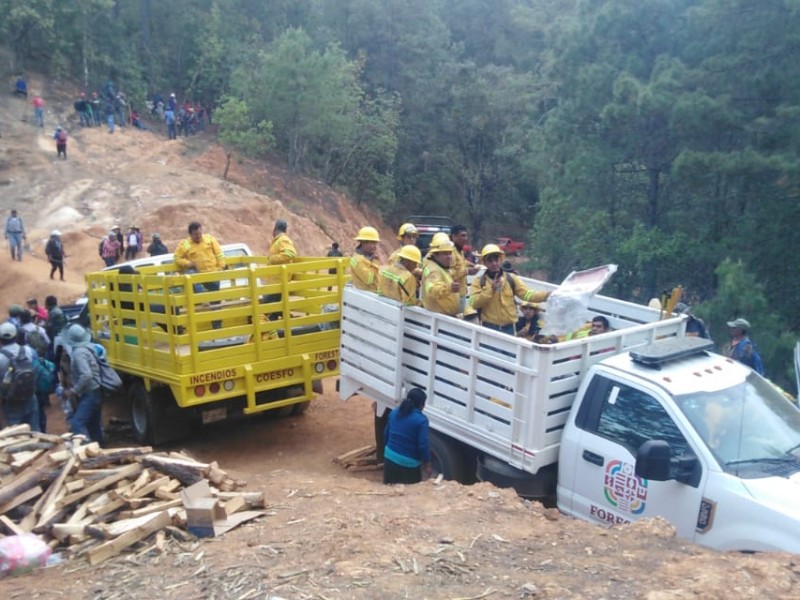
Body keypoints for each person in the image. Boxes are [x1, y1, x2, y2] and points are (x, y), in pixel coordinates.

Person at [469, 244, 550, 336]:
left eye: (496, 260)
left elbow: (528, 295)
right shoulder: (479, 282)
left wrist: (548, 295)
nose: (494, 263)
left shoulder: (511, 279)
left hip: (509, 329)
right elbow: (473, 303)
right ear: (484, 263)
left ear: (501, 260)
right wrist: (490, 290)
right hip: (489, 329)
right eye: (490, 261)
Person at [61, 324, 103, 444]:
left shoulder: (78, 354)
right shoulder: (90, 348)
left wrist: (74, 390)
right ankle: (100, 448)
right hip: (96, 391)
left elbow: (86, 375)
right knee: (93, 424)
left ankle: (85, 450)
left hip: (89, 393)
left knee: (77, 423)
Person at [383, 388, 432, 485]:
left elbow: (386, 434)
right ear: (421, 404)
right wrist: (428, 464)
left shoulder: (394, 412)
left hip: (389, 458)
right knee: (409, 496)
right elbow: (423, 445)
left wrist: (390, 452)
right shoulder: (421, 420)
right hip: (409, 465)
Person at [0, 322, 39, 431]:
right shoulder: (29, 351)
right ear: (16, 336)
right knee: (35, 431)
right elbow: (37, 370)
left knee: (17, 435)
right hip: (31, 397)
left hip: (11, 402)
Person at [421, 237, 461, 316]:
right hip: (439, 319)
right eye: (445, 254)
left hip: (442, 318)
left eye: (450, 253)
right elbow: (433, 290)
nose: (449, 256)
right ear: (435, 255)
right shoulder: (434, 270)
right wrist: (450, 288)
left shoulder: (441, 267)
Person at [449, 225, 480, 312]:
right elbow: (451, 273)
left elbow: (462, 262)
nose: (465, 238)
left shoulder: (460, 250)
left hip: (462, 292)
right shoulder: (450, 252)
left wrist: (472, 264)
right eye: (462, 236)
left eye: (466, 235)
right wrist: (467, 271)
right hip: (454, 294)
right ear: (454, 236)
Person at [348, 227, 382, 292]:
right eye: (372, 243)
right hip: (366, 296)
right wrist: (374, 262)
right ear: (363, 242)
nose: (375, 246)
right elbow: (368, 280)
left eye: (375, 243)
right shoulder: (358, 260)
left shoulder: (367, 257)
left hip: (369, 294)